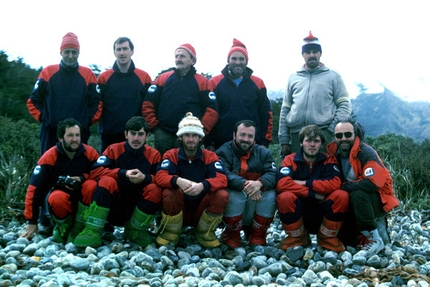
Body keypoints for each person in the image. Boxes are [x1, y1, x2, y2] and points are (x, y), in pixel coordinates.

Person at [73, 116, 162, 248]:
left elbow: (161, 178)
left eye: (140, 134)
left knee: (155, 188)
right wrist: (122, 173)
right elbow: (95, 172)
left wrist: (145, 178)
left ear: (147, 136)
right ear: (126, 134)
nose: (136, 138)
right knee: (106, 180)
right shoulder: (113, 149)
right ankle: (93, 230)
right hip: (113, 206)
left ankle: (135, 231)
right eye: (133, 133)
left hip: (137, 207)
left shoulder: (154, 155)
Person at [327, 117, 399, 258]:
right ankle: (363, 236)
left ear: (356, 134)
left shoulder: (366, 153)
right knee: (347, 241)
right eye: (339, 135)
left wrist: (345, 186)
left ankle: (374, 238)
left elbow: (373, 183)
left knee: (357, 193)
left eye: (348, 135)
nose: (343, 139)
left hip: (375, 200)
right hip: (352, 202)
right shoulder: (333, 154)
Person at [21, 118, 100, 244]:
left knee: (91, 185)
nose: (75, 139)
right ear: (60, 138)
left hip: (84, 202)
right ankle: (63, 227)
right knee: (57, 197)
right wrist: (32, 221)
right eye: (70, 135)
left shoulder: (90, 153)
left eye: (77, 135)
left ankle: (85, 227)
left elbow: (100, 176)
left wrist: (82, 178)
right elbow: (34, 190)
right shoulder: (49, 157)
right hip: (59, 203)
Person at [155, 112, 228, 248]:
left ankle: (205, 232)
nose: (190, 139)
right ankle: (171, 231)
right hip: (179, 206)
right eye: (187, 135)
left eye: (194, 135)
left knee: (221, 194)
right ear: (180, 137)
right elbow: (160, 176)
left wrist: (203, 185)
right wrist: (177, 181)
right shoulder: (171, 155)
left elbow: (222, 178)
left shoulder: (210, 156)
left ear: (200, 138)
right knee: (169, 192)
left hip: (201, 207)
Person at [276, 124, 349, 253]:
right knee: (285, 197)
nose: (312, 144)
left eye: (316, 141)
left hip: (323, 211)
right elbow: (282, 184)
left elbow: (335, 183)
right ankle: (297, 237)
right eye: (308, 140)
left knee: (341, 195)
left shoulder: (329, 160)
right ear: (301, 143)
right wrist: (312, 194)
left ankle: (327, 237)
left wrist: (306, 183)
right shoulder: (289, 160)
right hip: (299, 211)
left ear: (321, 144)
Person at [278, 31, 352, 157]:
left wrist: (331, 130)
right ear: (303, 54)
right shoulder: (293, 78)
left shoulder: (333, 76)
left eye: (315, 52)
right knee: (298, 171)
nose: (311, 55)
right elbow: (285, 110)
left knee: (325, 170)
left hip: (324, 135)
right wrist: (284, 140)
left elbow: (344, 105)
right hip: (297, 136)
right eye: (308, 52)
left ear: (320, 53)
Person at [27, 32, 101, 155]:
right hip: (51, 133)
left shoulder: (88, 74)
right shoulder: (48, 72)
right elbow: (33, 101)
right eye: (67, 52)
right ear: (61, 52)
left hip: (78, 135)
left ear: (78, 53)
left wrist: (86, 121)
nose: (70, 56)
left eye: (74, 52)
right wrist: (45, 118)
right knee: (49, 170)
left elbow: (97, 104)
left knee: (78, 171)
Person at [142, 43, 218, 155]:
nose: (178, 59)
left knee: (187, 169)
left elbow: (212, 110)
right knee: (163, 168)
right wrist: (155, 128)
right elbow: (148, 104)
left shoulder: (202, 82)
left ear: (192, 61)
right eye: (176, 56)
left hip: (189, 136)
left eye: (182, 56)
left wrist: (200, 131)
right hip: (164, 135)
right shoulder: (163, 79)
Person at [216, 120, 277, 248]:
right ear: (234, 135)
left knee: (271, 195)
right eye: (242, 135)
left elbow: (273, 173)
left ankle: (257, 234)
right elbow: (223, 173)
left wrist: (260, 183)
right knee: (232, 194)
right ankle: (232, 233)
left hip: (255, 200)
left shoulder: (263, 153)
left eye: (250, 136)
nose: (246, 139)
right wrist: (245, 184)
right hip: (236, 200)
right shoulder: (223, 152)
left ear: (255, 138)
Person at [205, 38, 273, 151]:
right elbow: (209, 114)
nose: (237, 62)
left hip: (251, 143)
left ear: (246, 61)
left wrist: (264, 142)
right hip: (220, 144)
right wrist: (208, 142)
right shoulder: (214, 83)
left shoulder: (258, 83)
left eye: (241, 59)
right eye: (234, 58)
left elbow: (266, 114)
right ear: (228, 60)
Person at [97, 37, 153, 153]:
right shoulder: (103, 78)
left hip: (135, 134)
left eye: (125, 49)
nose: (122, 53)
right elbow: (97, 105)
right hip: (109, 133)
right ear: (114, 53)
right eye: (118, 49)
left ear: (132, 51)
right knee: (108, 169)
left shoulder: (144, 77)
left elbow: (149, 106)